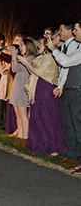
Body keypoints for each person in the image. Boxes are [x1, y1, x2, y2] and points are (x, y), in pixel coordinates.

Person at [47, 22, 81, 173]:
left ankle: (77, 157)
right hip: (70, 88)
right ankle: (73, 155)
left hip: (76, 89)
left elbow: (67, 62)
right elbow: (64, 67)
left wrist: (53, 49)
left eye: (76, 29)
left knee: (77, 125)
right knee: (70, 123)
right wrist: (60, 82)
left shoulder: (76, 46)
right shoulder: (73, 46)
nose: (74, 32)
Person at [23, 38, 65, 156]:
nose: (39, 46)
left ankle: (54, 147)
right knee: (38, 117)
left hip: (46, 89)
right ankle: (40, 145)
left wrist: (26, 63)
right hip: (38, 88)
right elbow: (33, 71)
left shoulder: (49, 57)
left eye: (41, 44)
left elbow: (39, 72)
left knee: (48, 118)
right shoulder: (41, 57)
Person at [9, 38, 35, 147]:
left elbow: (28, 70)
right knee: (18, 112)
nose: (20, 48)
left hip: (24, 86)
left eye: (22, 46)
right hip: (17, 85)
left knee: (23, 113)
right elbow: (14, 69)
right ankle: (20, 135)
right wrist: (13, 56)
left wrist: (16, 57)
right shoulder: (21, 58)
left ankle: (25, 137)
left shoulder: (30, 58)